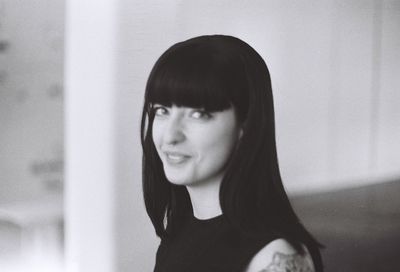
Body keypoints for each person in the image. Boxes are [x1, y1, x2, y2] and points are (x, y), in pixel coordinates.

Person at [141, 34, 323, 272]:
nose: (170, 136)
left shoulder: (274, 257)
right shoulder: (181, 227)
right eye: (162, 110)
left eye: (198, 114)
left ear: (245, 125)